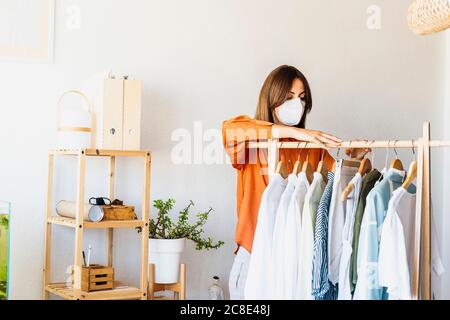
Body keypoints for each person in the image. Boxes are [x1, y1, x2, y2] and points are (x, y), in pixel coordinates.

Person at [222, 65, 368, 299]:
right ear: (272, 98)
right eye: (289, 97)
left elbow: (339, 187)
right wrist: (299, 134)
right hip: (252, 258)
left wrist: (355, 158)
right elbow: (230, 130)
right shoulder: (251, 146)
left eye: (302, 98)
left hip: (294, 261)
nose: (297, 104)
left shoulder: (312, 150)